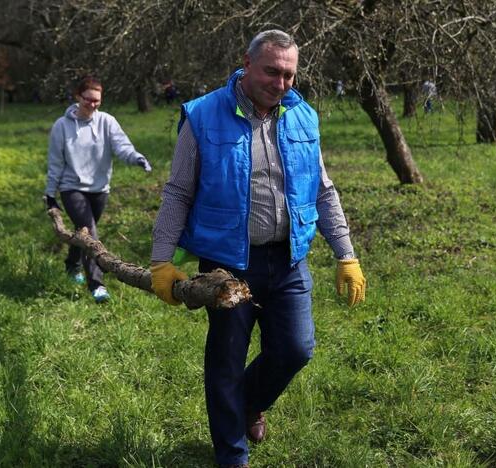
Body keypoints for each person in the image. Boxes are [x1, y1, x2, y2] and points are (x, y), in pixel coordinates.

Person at [149, 30, 367, 467]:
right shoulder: (203, 116)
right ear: (246, 64)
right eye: (271, 71)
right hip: (227, 264)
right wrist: (161, 261)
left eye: (288, 74)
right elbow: (177, 192)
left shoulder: (303, 116)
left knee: (296, 349)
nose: (280, 83)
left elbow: (322, 191)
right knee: (227, 359)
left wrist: (346, 254)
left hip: (288, 258)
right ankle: (232, 454)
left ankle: (246, 405)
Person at [44, 75, 152, 303]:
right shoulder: (61, 127)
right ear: (77, 97)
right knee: (90, 234)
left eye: (97, 101)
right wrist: (50, 195)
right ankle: (97, 285)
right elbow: (55, 163)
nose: (92, 105)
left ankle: (72, 264)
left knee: (82, 232)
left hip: (100, 188)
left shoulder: (107, 122)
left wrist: (137, 158)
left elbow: (122, 146)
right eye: (88, 100)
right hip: (71, 187)